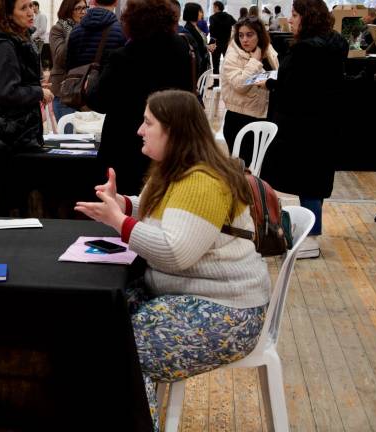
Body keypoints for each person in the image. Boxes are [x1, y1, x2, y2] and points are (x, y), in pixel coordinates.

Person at [75, 89, 270, 430]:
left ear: (174, 131)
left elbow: (175, 252)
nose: (139, 130)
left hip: (230, 312)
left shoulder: (203, 181)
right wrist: (124, 205)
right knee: (99, 320)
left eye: (148, 123)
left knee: (120, 349)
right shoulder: (178, 170)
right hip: (199, 294)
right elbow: (167, 214)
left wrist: (120, 223)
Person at [258, 0, 348, 258]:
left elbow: (291, 88)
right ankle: (311, 233)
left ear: (307, 17)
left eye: (295, 14)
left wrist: (271, 86)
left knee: (302, 180)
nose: (290, 19)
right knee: (315, 182)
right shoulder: (337, 44)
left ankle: (305, 238)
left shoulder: (304, 50)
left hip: (299, 127)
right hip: (325, 124)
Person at [87, 0, 194, 196]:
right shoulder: (180, 48)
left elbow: (98, 101)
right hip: (169, 136)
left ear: (132, 22)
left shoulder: (123, 56)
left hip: (124, 141)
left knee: (124, 202)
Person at [0, 0, 52, 216]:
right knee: (5, 203)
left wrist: (35, 86)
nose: (31, 12)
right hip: (7, 137)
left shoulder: (17, 39)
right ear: (8, 14)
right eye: (23, 8)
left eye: (32, 6)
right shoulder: (3, 44)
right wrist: (38, 92)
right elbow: (5, 92)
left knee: (14, 200)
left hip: (16, 135)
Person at [220, 16, 278, 164]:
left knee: (261, 169)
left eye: (249, 34)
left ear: (259, 35)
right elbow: (240, 85)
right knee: (243, 171)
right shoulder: (233, 55)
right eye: (241, 35)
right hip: (240, 120)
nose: (244, 39)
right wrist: (254, 62)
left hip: (265, 115)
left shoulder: (267, 49)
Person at [49, 0, 87, 125]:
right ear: (69, 9)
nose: (83, 12)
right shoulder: (57, 29)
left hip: (83, 92)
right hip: (64, 93)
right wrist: (74, 33)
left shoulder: (86, 30)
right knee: (69, 137)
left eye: (85, 8)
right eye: (79, 8)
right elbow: (60, 57)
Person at [65, 0, 126, 71]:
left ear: (94, 2)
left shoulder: (75, 30)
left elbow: (69, 65)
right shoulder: (121, 31)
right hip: (109, 81)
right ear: (116, 2)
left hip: (81, 81)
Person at [183, 3, 214, 74]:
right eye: (199, 11)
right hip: (197, 64)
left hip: (202, 61)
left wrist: (207, 47)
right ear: (193, 13)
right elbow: (194, 47)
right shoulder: (188, 28)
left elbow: (199, 42)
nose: (201, 13)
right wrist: (206, 47)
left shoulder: (195, 26)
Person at [209, 1, 236, 74]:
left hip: (216, 44)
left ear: (217, 7)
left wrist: (211, 44)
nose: (213, 9)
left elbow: (212, 32)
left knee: (216, 64)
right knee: (228, 64)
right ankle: (228, 81)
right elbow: (237, 26)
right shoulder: (229, 16)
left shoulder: (212, 18)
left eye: (213, 7)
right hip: (226, 43)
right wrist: (231, 38)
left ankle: (216, 83)